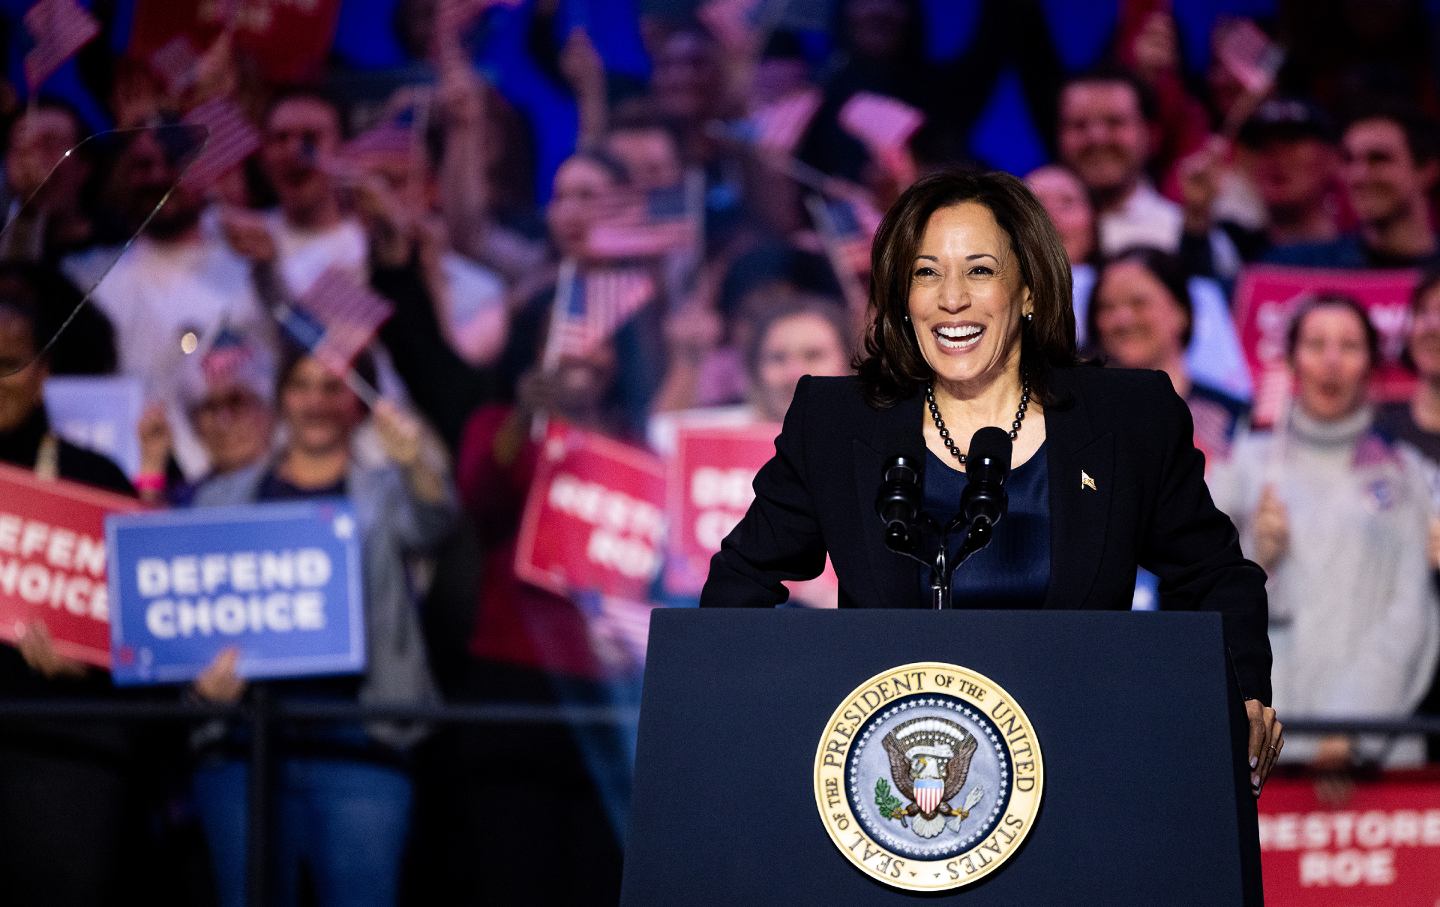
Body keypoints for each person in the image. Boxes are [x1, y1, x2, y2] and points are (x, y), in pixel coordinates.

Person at [699, 169, 1281, 791]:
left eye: (979, 270)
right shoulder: (837, 422)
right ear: (901, 296)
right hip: (896, 790)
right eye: (926, 273)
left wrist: (1241, 692)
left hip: (1082, 767)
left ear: (1029, 289)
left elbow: (1214, 574)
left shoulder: (1127, 416)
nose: (952, 298)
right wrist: (780, 708)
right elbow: (740, 582)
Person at [186, 346, 455, 907]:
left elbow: (433, 522)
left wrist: (417, 463)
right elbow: (182, 607)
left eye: (333, 388)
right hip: (243, 741)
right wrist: (197, 682)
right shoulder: (220, 497)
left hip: (361, 742)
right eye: (301, 385)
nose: (316, 401)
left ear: (356, 405)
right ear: (280, 398)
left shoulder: (384, 492)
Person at [1210, 295, 1438, 769]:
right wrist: (1254, 554)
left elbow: (1410, 616)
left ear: (1371, 365)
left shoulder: (1407, 476)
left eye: (1349, 346)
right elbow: (1205, 600)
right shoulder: (1244, 470)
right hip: (1268, 751)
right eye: (1315, 344)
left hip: (1377, 751)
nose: (1331, 361)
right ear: (1292, 359)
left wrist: (1353, 729)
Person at [0, 294, 145, 906]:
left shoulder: (97, 479)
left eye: (7, 363)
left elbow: (144, 635)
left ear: (44, 371)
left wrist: (88, 667)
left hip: (66, 753)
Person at [1087, 247, 1249, 465]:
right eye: (1107, 307)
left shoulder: (1234, 419)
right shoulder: (1081, 416)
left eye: (1138, 303)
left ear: (1180, 313)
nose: (1122, 320)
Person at [1265, 106, 1440, 270]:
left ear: (1427, 170)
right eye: (1349, 160)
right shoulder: (1295, 268)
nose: (1359, 176)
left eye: (1378, 159)